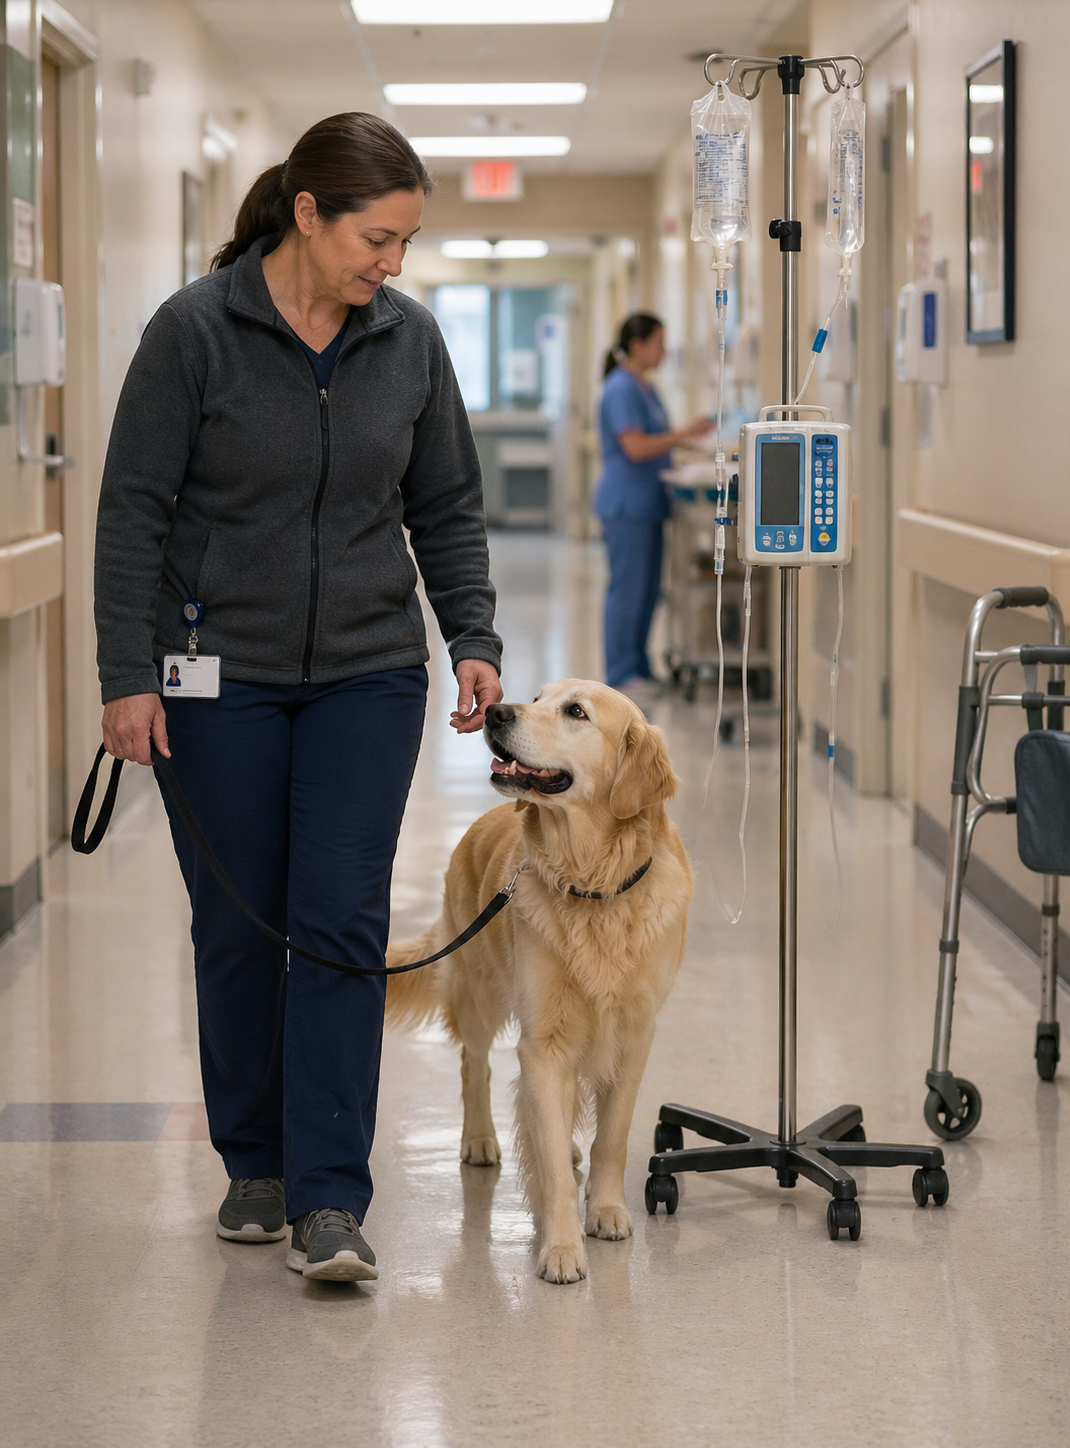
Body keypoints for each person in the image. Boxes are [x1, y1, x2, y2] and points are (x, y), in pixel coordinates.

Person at [94, 113, 503, 1283]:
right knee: (239, 923)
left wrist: (470, 634)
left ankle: (331, 1194)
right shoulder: (195, 333)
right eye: (377, 237)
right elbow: (134, 515)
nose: (394, 263)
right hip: (216, 674)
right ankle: (255, 1164)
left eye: (408, 242)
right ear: (308, 214)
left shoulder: (409, 342)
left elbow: (449, 506)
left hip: (370, 672)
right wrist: (128, 671)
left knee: (338, 920)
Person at [593, 314, 712, 700]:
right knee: (628, 591)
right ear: (638, 345)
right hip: (627, 505)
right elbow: (636, 446)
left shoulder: (646, 388)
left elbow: (659, 439)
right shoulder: (622, 388)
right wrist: (682, 436)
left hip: (647, 504)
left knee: (645, 591)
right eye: (659, 342)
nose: (665, 350)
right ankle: (621, 672)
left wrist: (691, 444)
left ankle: (639, 667)